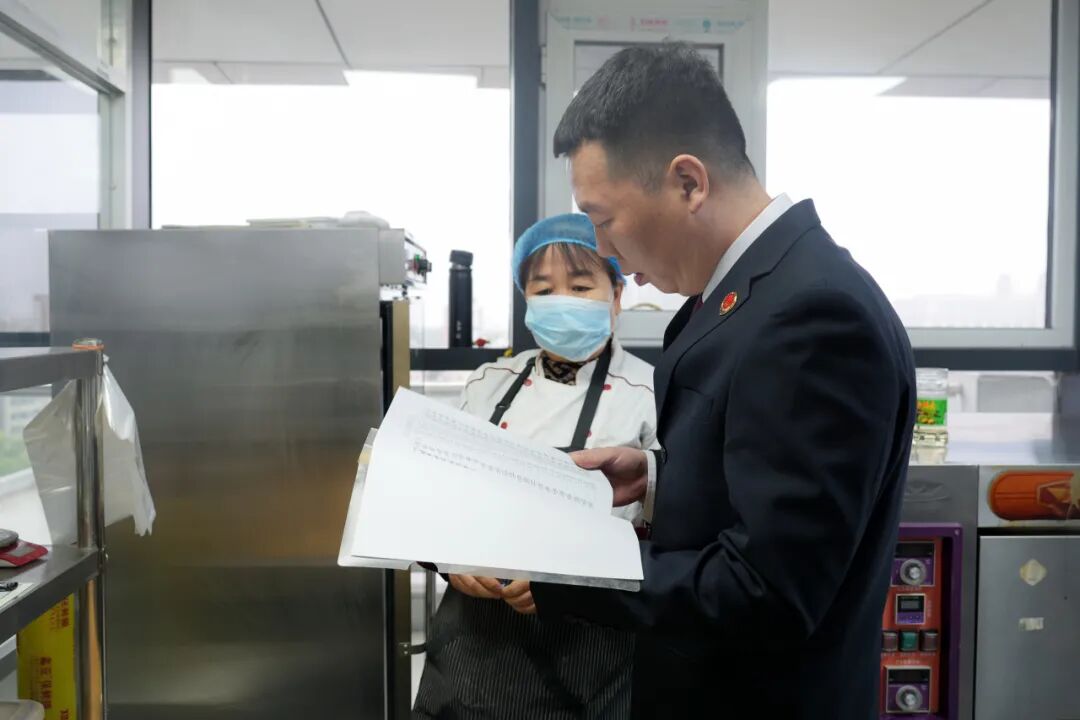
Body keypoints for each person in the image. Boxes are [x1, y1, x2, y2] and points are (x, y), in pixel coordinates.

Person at [521, 43, 917, 719]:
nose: (604, 249)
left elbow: (766, 590)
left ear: (688, 183)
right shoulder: (750, 291)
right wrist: (656, 476)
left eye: (604, 220)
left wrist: (567, 570)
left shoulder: (814, 315)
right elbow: (757, 474)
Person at [412, 213, 658, 719]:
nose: (561, 300)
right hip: (472, 638)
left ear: (616, 295)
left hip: (590, 639)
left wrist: (572, 577)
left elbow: (668, 521)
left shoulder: (652, 392)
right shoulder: (490, 381)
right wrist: (450, 559)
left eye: (581, 286)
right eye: (543, 289)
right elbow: (439, 492)